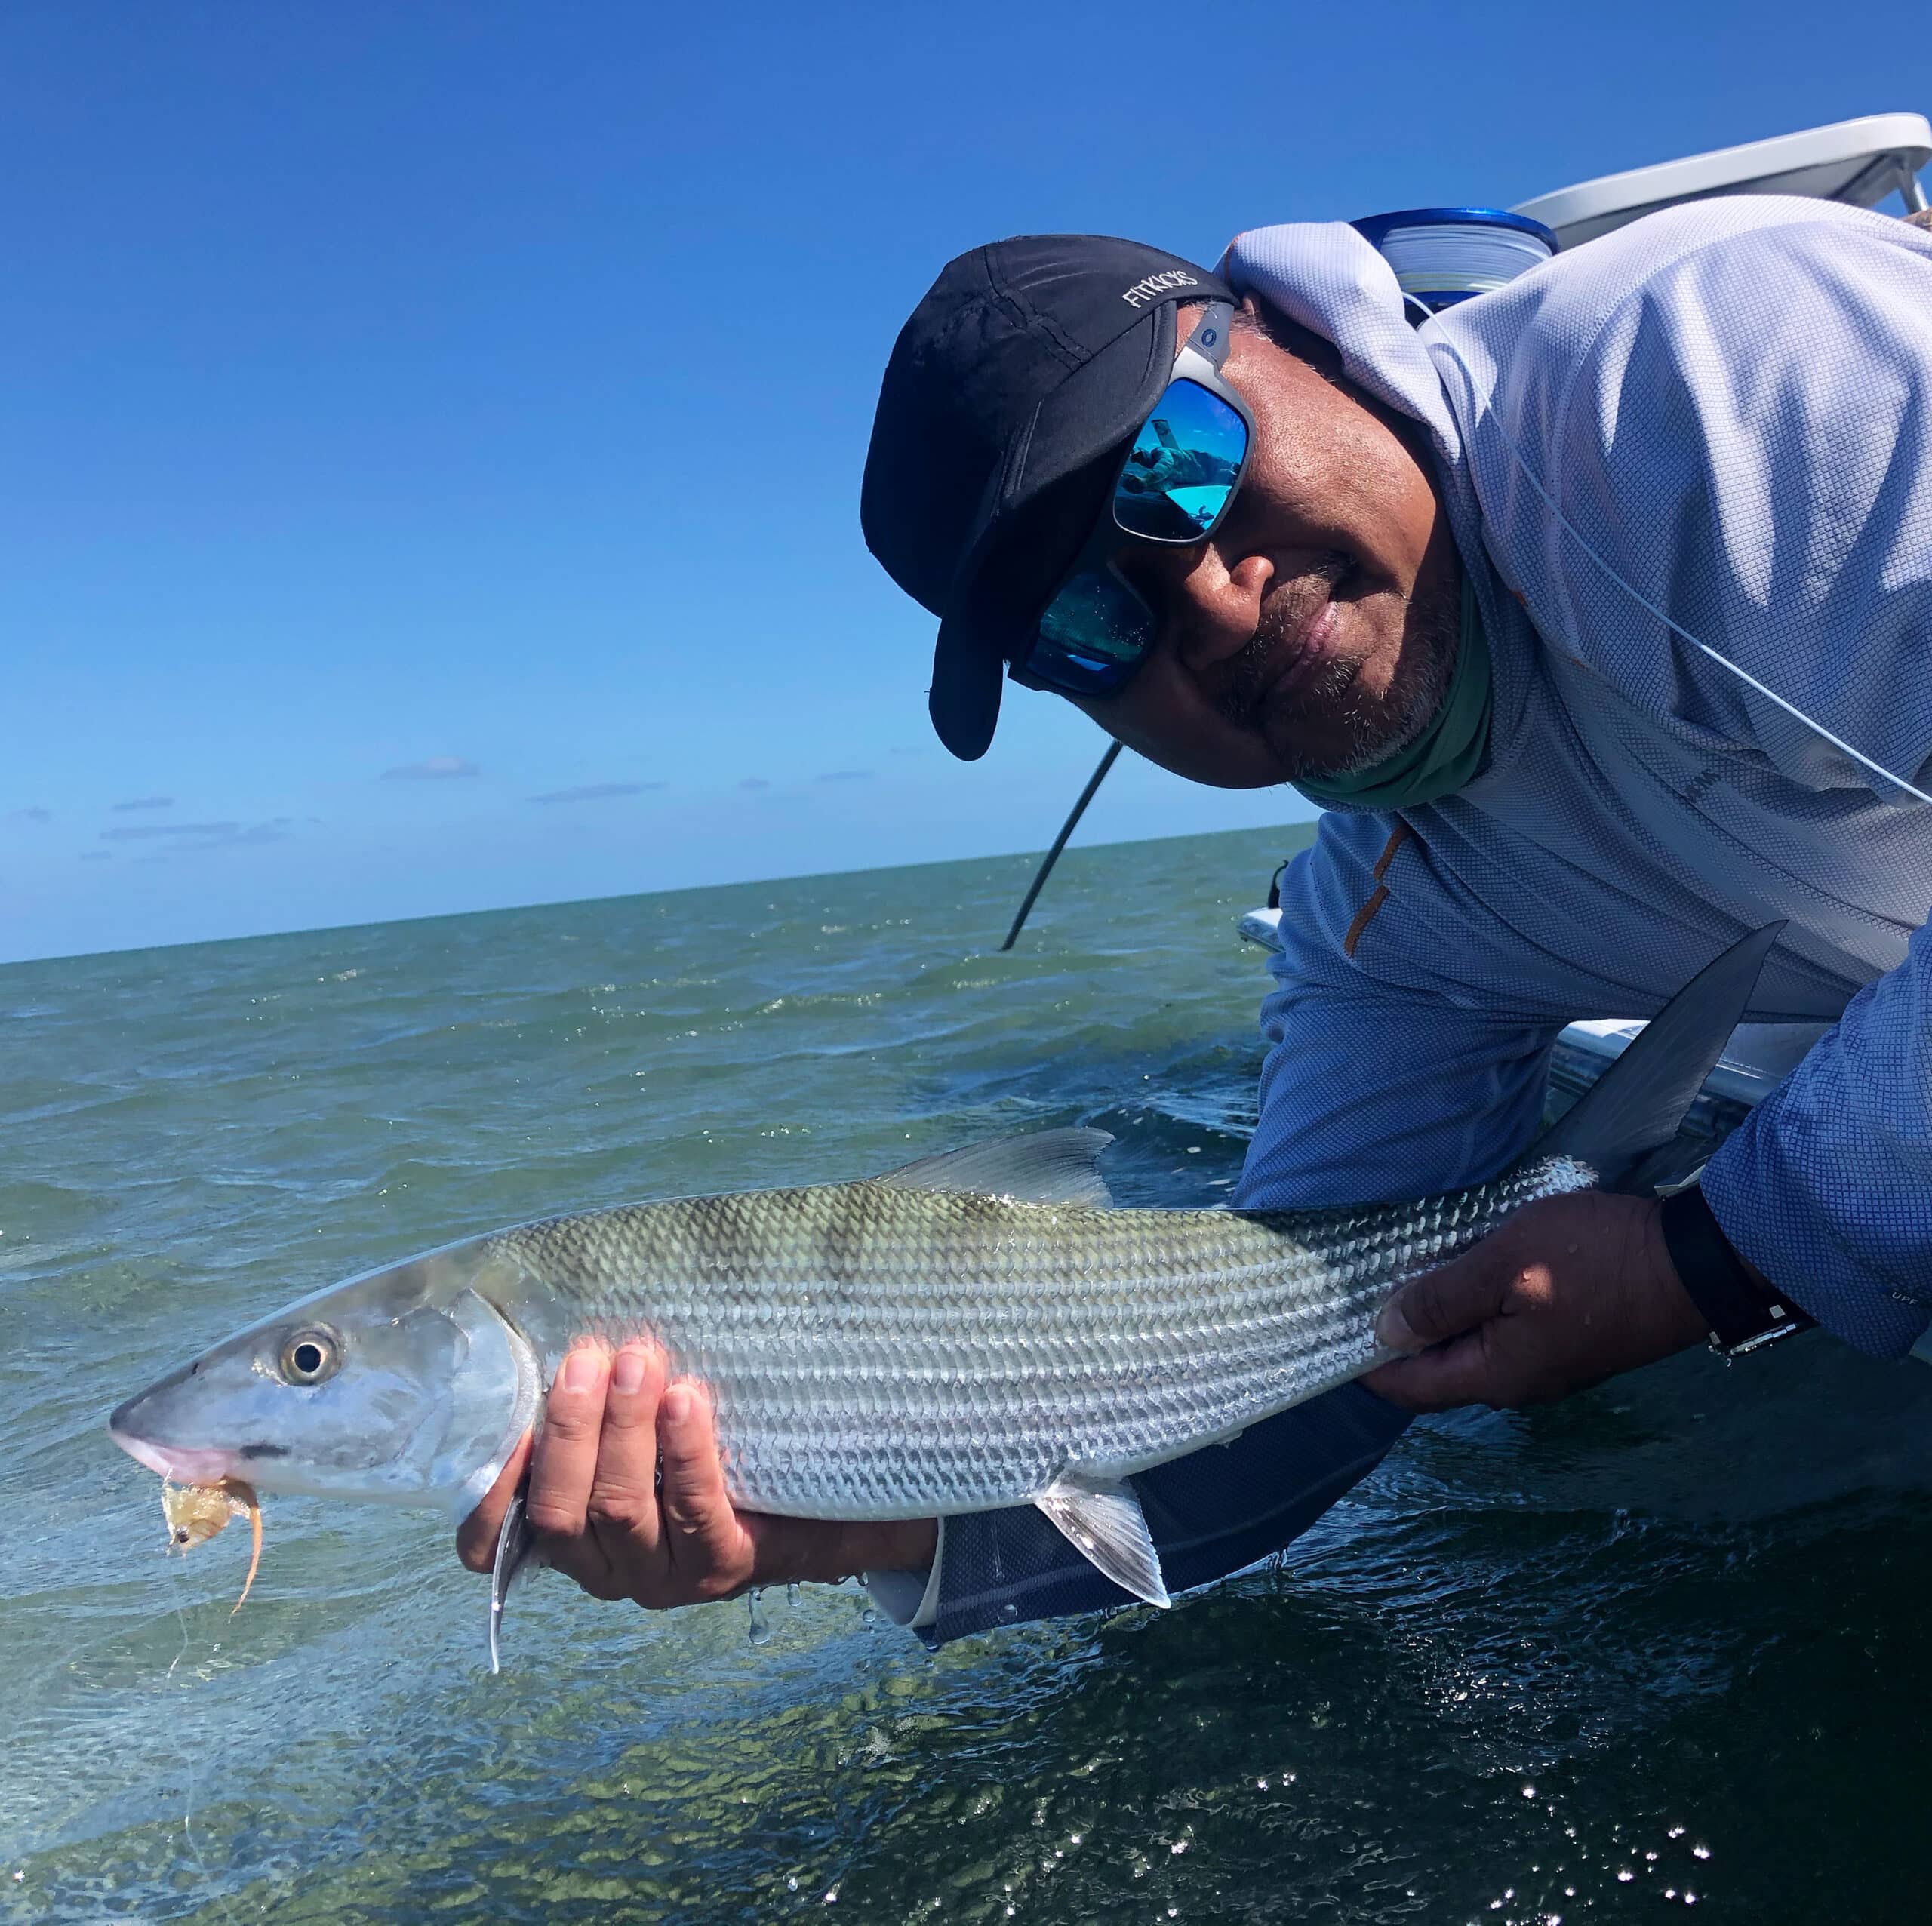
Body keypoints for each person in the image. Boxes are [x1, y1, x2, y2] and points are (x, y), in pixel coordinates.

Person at [457, 201, 1932, 1641]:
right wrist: (860, 1522)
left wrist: (1714, 1255)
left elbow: (1707, 1257)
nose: (1212, 607)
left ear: (1288, 329)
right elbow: (1294, 1374)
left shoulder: (1717, 374)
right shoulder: (1388, 936)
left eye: (1175, 468)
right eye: (1087, 629)